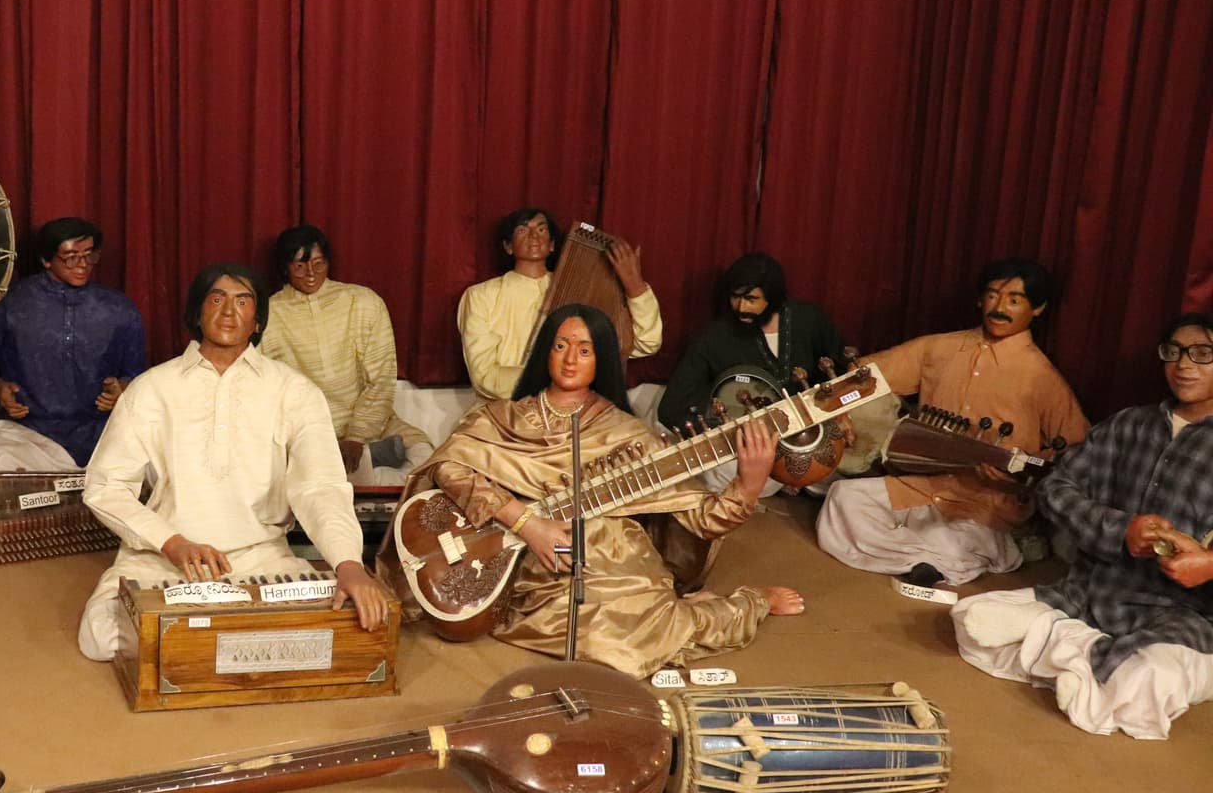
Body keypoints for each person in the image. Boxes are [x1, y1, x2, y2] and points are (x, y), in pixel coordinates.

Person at [379, 303, 802, 675]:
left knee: (624, 637)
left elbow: (701, 520)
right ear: (545, 350)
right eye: (561, 345)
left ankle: (743, 603)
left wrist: (748, 485)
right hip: (530, 557)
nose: (570, 359)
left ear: (603, 360)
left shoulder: (628, 432)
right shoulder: (501, 416)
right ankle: (676, 609)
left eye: (585, 350)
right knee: (594, 633)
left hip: (613, 556)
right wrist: (525, 523)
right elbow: (450, 467)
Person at [77, 263, 394, 662]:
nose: (229, 312)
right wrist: (171, 542)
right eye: (217, 299)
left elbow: (321, 487)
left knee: (348, 629)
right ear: (196, 313)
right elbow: (105, 486)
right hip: (163, 562)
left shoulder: (294, 392)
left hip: (261, 559)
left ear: (258, 320)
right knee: (102, 635)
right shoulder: (151, 388)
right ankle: (229, 636)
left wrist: (348, 563)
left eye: (243, 301)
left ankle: (212, 638)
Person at [952, 314, 1213, 739]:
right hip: (1091, 593)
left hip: (1182, 617)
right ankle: (1086, 655)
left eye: (1203, 354)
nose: (1185, 365)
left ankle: (1068, 652)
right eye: (1174, 352)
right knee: (972, 619)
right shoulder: (1129, 424)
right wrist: (1118, 529)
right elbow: (1056, 487)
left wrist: (1208, 564)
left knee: (1150, 681)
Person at [816, 258, 1089, 588]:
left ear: (1038, 309)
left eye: (1014, 300)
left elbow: (1079, 449)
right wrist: (840, 410)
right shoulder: (938, 349)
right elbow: (864, 375)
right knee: (842, 498)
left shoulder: (1041, 378)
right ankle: (929, 560)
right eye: (992, 295)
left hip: (984, 505)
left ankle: (932, 553)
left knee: (954, 539)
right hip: (922, 485)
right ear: (979, 299)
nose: (999, 307)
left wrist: (1020, 476)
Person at [0, 217, 146, 471]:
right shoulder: (10, 305)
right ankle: (84, 489)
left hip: (101, 432)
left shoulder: (119, 308)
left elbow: (138, 375)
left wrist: (123, 389)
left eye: (89, 256)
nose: (82, 265)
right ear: (46, 260)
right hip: (31, 434)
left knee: (160, 457)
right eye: (70, 257)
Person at [260, 224, 433, 484]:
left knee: (427, 459)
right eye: (299, 266)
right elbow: (269, 388)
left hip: (373, 424)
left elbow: (381, 380)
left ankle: (364, 459)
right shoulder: (269, 314)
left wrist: (356, 436)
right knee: (318, 474)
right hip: (307, 431)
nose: (310, 274)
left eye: (319, 264)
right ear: (285, 268)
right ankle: (370, 460)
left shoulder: (363, 301)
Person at [457, 207, 662, 401]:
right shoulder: (481, 296)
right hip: (504, 414)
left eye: (541, 229)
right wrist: (560, 380)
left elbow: (646, 343)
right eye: (522, 230)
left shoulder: (580, 291)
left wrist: (636, 288)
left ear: (553, 244)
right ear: (508, 246)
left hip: (572, 414)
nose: (534, 236)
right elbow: (484, 375)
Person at [658, 252, 850, 430]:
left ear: (773, 299)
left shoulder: (809, 320)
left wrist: (840, 413)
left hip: (814, 426)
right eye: (735, 297)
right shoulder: (715, 338)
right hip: (751, 443)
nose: (741, 307)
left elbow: (844, 373)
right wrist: (727, 436)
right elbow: (670, 410)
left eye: (751, 299)